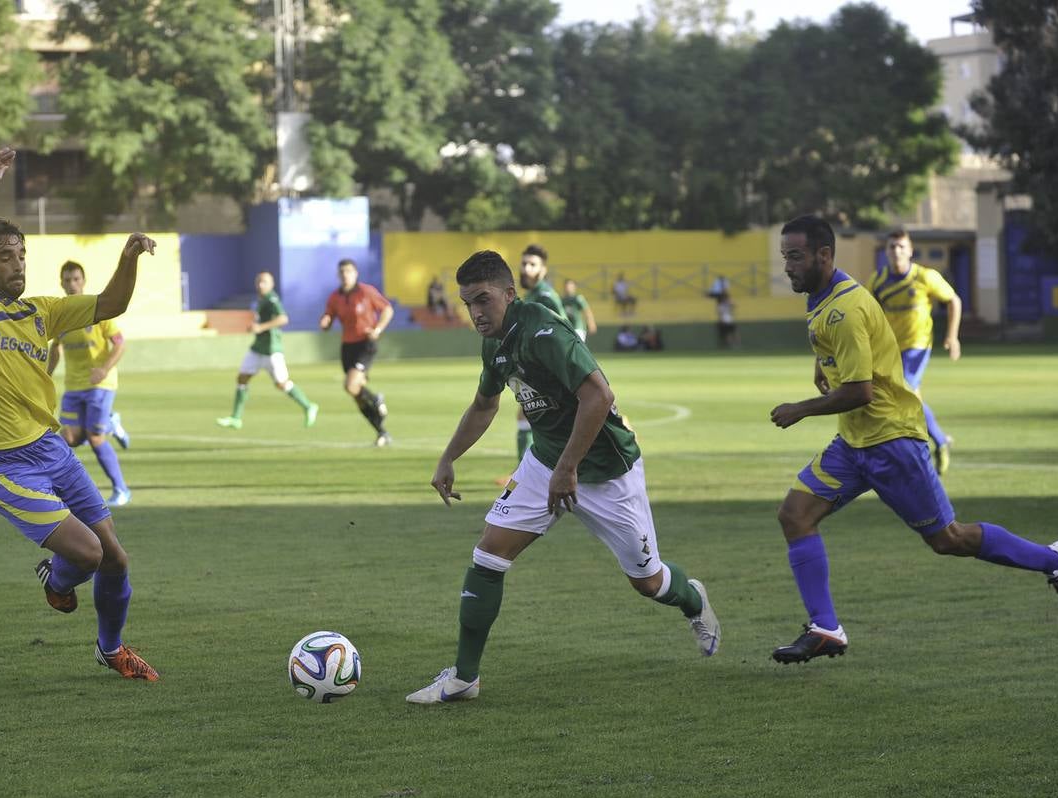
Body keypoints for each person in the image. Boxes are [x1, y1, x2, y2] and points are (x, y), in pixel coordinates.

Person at [405, 250, 720, 705]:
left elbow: (599, 396)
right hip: (546, 461)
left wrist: (568, 469)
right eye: (467, 302)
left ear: (509, 295)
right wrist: (447, 458)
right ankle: (464, 677)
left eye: (483, 300)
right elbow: (485, 405)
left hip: (607, 472)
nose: (475, 312)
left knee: (648, 582)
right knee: (488, 556)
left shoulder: (544, 333)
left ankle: (693, 599)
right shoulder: (494, 342)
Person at [767, 215, 1058, 665]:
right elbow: (843, 353)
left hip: (892, 441)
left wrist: (800, 408)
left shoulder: (844, 307)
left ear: (824, 254)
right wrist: (826, 363)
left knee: (949, 539)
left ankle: (1055, 561)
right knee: (795, 515)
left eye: (795, 256)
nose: (788, 266)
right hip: (854, 443)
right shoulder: (823, 298)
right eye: (785, 257)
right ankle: (826, 629)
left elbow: (861, 391)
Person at [0, 145, 159, 681]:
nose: (18, 263)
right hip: (2, 462)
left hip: (51, 450)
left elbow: (110, 305)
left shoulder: (41, 311)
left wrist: (127, 259)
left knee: (116, 557)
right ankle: (56, 581)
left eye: (22, 254)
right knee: (89, 554)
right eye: (6, 256)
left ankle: (111, 648)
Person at [867, 228, 962, 474]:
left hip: (917, 347)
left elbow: (953, 300)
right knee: (909, 401)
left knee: (903, 391)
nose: (896, 251)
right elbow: (866, 315)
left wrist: (952, 336)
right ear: (885, 252)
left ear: (910, 251)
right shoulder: (877, 282)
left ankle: (919, 448)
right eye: (892, 247)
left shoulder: (925, 277)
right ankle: (938, 441)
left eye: (901, 246)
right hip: (889, 351)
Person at [46, 260, 133, 508]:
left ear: (84, 281)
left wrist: (104, 368)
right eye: (67, 280)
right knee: (69, 438)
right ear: (61, 283)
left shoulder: (99, 311)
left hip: (100, 384)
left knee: (95, 438)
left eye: (76, 279)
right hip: (74, 387)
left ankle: (121, 490)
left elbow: (119, 343)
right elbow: (55, 348)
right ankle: (110, 422)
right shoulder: (61, 316)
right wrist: (46, 375)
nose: (72, 284)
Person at [217, 270, 319, 431]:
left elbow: (283, 318)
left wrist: (260, 327)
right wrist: (255, 327)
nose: (260, 285)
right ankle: (236, 418)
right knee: (242, 378)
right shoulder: (262, 299)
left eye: (264, 282)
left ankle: (308, 406)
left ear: (272, 284)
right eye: (258, 281)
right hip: (258, 348)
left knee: (282, 384)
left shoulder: (272, 299)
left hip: (272, 350)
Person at [319, 259, 393, 447]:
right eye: (342, 271)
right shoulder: (335, 297)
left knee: (351, 386)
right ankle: (381, 432)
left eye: (349, 271)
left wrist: (378, 329)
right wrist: (326, 321)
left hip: (365, 344)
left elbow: (387, 309)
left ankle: (376, 399)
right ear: (338, 275)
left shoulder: (366, 292)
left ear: (355, 273)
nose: (345, 275)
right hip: (347, 347)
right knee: (357, 396)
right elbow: (329, 314)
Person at [512, 244, 566, 464]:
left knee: (532, 417)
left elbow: (561, 332)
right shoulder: (533, 294)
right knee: (528, 416)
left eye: (532, 265)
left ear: (543, 270)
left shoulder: (545, 296)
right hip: (540, 371)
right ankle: (525, 471)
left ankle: (524, 473)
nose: (526, 269)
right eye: (524, 263)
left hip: (550, 373)